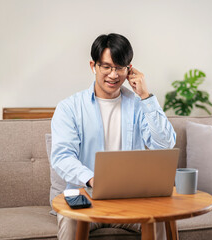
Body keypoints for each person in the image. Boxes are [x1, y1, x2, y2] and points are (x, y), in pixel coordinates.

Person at [51, 33, 176, 240]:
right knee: (70, 221)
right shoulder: (69, 108)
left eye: (119, 67)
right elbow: (62, 157)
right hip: (85, 199)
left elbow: (165, 144)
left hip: (130, 201)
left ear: (129, 70)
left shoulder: (139, 105)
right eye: (106, 67)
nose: (113, 74)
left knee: (160, 220)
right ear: (94, 66)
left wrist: (146, 96)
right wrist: (93, 179)